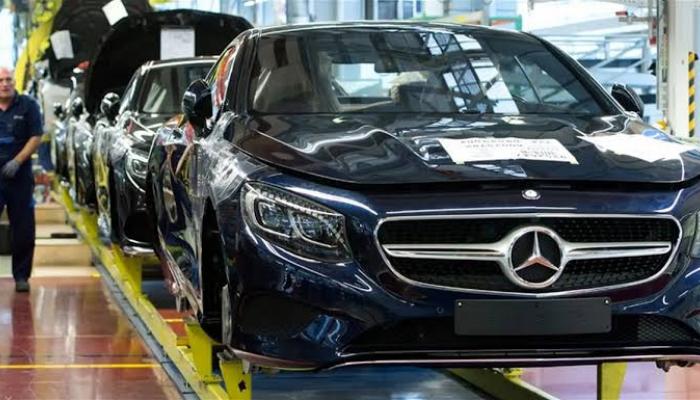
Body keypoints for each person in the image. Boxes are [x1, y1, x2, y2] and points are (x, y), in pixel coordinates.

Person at [0, 67, 42, 293]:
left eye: (8, 80)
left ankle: (21, 277)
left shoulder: (28, 105)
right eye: (0, 80)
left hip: (19, 176)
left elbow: (36, 136)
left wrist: (17, 161)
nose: (5, 84)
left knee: (23, 229)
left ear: (14, 82)